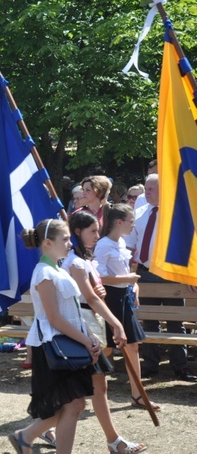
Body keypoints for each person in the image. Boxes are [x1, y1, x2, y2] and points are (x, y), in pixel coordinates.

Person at [10, 219, 99, 454]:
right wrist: (85, 340)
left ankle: (25, 436)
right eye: (66, 239)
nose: (71, 243)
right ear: (48, 243)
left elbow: (74, 312)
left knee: (75, 404)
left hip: (69, 341)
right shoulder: (44, 273)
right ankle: (25, 437)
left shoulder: (58, 269)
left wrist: (90, 336)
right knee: (72, 404)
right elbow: (54, 318)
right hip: (53, 346)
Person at [64, 211, 147, 453]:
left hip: (89, 324)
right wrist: (116, 323)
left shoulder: (84, 259)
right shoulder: (74, 261)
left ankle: (114, 441)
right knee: (75, 394)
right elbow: (88, 296)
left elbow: (93, 291)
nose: (97, 236)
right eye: (92, 231)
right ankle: (33, 431)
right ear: (78, 232)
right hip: (80, 326)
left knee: (97, 388)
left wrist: (98, 290)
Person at [126, 174, 197, 381]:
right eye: (146, 188)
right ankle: (150, 365)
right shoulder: (139, 214)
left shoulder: (177, 216)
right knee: (149, 321)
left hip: (172, 275)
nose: (146, 192)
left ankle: (180, 367)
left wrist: (190, 276)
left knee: (176, 323)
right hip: (145, 274)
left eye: (151, 189)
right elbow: (130, 246)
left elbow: (189, 246)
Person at [94, 203, 158, 411]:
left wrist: (134, 285)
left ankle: (138, 395)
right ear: (119, 222)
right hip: (110, 299)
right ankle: (81, 387)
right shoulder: (103, 245)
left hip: (124, 297)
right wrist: (127, 278)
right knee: (106, 348)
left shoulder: (121, 242)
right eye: (131, 221)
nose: (134, 225)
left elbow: (126, 273)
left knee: (132, 346)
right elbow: (99, 277)